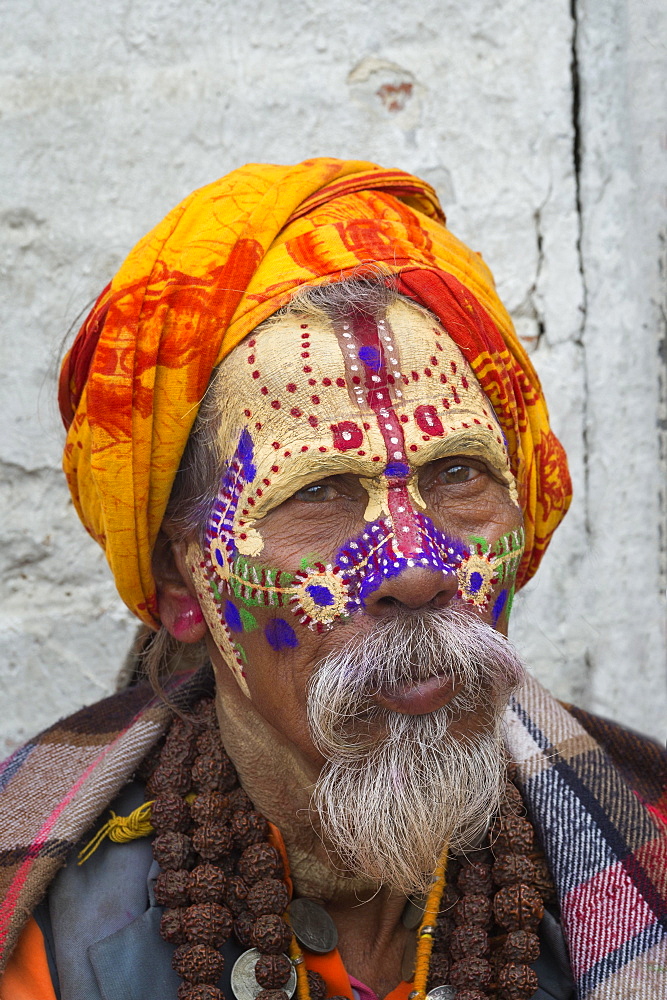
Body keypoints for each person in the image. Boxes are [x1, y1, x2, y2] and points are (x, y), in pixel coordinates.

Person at [0, 159, 665, 1000]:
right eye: (317, 491)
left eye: (458, 473)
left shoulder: (643, 845)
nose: (416, 568)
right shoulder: (40, 932)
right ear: (182, 579)